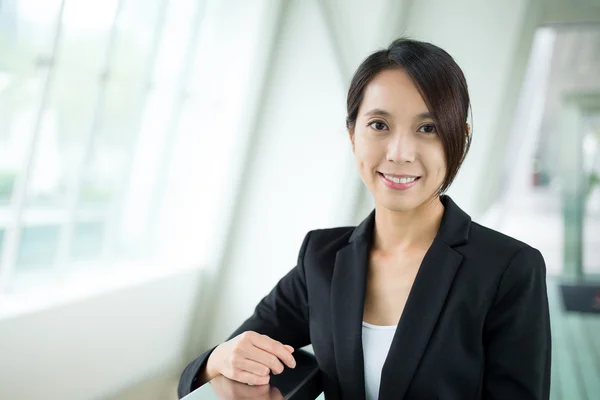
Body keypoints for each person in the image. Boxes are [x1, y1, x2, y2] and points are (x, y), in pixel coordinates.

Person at [178, 38, 551, 400]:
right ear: (352, 134)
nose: (400, 153)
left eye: (428, 128)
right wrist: (219, 358)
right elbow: (227, 360)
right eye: (379, 125)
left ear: (461, 139)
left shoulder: (507, 269)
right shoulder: (322, 258)